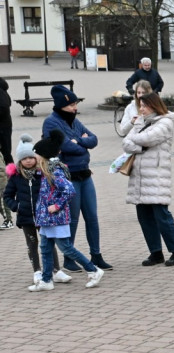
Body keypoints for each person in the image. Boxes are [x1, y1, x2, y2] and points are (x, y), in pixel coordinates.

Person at [42, 85, 112, 271]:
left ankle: (96, 255)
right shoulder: (51, 123)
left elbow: (94, 139)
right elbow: (66, 146)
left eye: (75, 104)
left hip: (85, 175)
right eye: (71, 104)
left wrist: (79, 141)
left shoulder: (75, 121)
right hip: (68, 178)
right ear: (61, 105)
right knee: (72, 219)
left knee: (92, 217)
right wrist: (80, 144)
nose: (75, 108)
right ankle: (69, 258)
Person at [27, 131, 105, 291]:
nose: (34, 159)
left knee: (66, 247)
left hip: (56, 218)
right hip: (46, 219)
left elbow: (69, 190)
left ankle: (93, 270)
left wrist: (56, 206)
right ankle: (47, 280)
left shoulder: (54, 171)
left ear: (44, 156)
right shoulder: (44, 171)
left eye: (36, 155)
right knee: (45, 247)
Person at [122, 91, 174, 267]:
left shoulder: (165, 122)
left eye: (144, 105)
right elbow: (126, 143)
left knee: (162, 216)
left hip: (157, 176)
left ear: (154, 105)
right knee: (144, 216)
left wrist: (137, 140)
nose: (141, 109)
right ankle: (155, 252)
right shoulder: (143, 121)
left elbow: (146, 139)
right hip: (140, 177)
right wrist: (139, 144)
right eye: (140, 105)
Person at [4, 134, 66, 285]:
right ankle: (37, 271)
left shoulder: (43, 174)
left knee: (49, 243)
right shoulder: (16, 177)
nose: (28, 160)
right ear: (20, 161)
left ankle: (56, 270)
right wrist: (16, 206)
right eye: (24, 158)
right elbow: (7, 195)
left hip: (43, 216)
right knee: (32, 244)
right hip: (26, 217)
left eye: (31, 157)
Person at [0, 75, 11, 165]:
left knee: (5, 153)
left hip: (3, 126)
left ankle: (12, 175)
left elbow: (4, 106)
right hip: (5, 125)